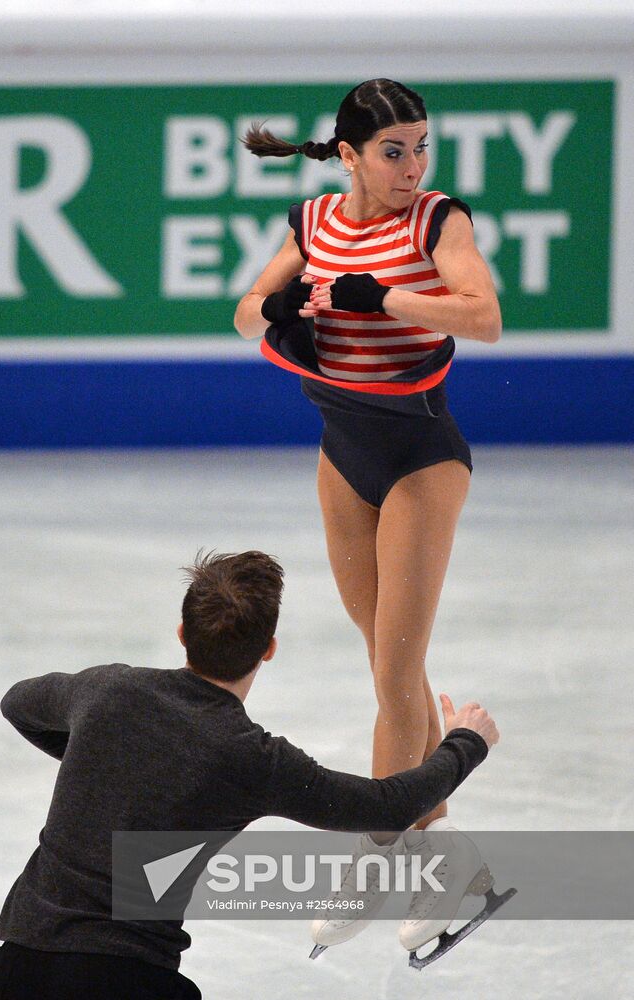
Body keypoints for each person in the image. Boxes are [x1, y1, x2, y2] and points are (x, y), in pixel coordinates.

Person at [234, 78, 502, 953]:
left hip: (423, 458)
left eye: (422, 145)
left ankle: (380, 862)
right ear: (348, 156)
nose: (413, 165)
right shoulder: (312, 222)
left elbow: (484, 316)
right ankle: (441, 850)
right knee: (390, 657)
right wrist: (278, 315)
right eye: (394, 151)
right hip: (342, 459)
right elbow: (242, 312)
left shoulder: (436, 221)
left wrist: (382, 299)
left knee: (395, 670)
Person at [0, 550, 498, 998]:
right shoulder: (251, 759)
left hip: (18, 965)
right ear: (269, 648)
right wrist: (465, 743)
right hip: (127, 978)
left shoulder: (104, 691)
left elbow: (17, 703)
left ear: (183, 633)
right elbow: (387, 805)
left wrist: (104, 762)